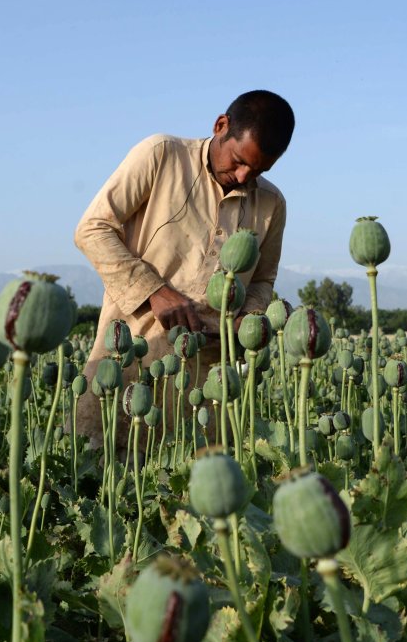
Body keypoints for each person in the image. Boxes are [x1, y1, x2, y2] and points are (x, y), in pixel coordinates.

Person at [74, 90, 295, 446]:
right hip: (128, 356)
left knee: (187, 484)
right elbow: (93, 229)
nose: (242, 177)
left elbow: (263, 279)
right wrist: (155, 292)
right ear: (221, 125)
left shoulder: (271, 203)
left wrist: (247, 319)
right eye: (238, 161)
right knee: (102, 473)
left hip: (206, 381)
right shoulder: (162, 155)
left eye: (257, 171)